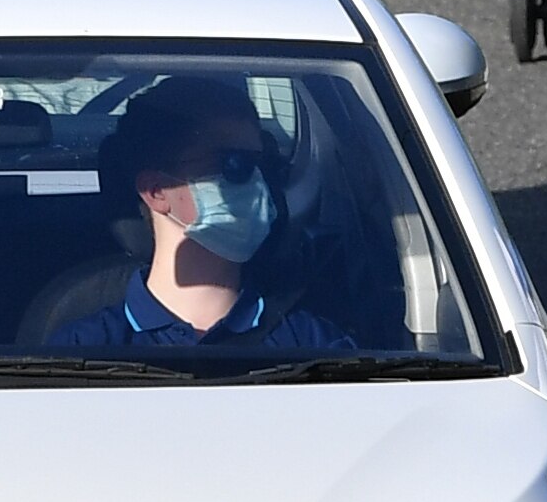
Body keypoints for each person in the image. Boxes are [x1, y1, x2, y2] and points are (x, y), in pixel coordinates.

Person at [44, 77, 355, 354]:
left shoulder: (315, 343)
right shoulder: (82, 350)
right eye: (234, 164)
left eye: (263, 165)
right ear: (156, 190)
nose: (257, 184)